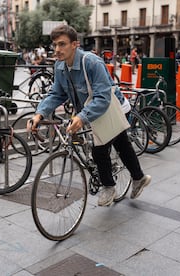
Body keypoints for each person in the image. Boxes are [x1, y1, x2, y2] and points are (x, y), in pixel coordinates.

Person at [27, 25, 151, 207]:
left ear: (75, 44)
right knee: (121, 143)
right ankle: (138, 177)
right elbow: (56, 93)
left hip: (110, 108)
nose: (57, 50)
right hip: (89, 110)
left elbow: (102, 98)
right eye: (55, 45)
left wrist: (82, 117)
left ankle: (109, 186)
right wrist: (39, 114)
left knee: (100, 148)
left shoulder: (92, 62)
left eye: (62, 44)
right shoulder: (60, 66)